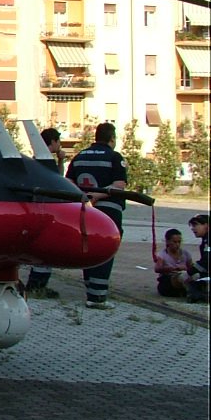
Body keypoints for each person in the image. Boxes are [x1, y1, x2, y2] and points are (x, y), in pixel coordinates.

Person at [66, 122, 127, 309]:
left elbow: (68, 182)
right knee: (106, 248)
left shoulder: (79, 156)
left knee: (88, 246)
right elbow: (119, 185)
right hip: (109, 211)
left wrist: (85, 197)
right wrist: (98, 196)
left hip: (84, 210)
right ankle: (98, 297)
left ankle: (90, 288)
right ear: (112, 138)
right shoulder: (115, 158)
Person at [25, 127, 65, 298]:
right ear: (54, 142)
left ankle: (36, 285)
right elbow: (57, 181)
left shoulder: (35, 160)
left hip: (36, 208)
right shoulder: (47, 161)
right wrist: (61, 161)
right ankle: (37, 286)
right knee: (46, 251)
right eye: (59, 142)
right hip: (46, 210)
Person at [154, 227, 195, 297]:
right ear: (167, 241)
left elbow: (192, 267)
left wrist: (186, 268)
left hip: (184, 276)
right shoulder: (163, 254)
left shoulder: (185, 253)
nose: (177, 244)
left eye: (179, 242)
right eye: (175, 242)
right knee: (182, 277)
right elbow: (157, 269)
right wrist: (172, 268)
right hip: (168, 280)